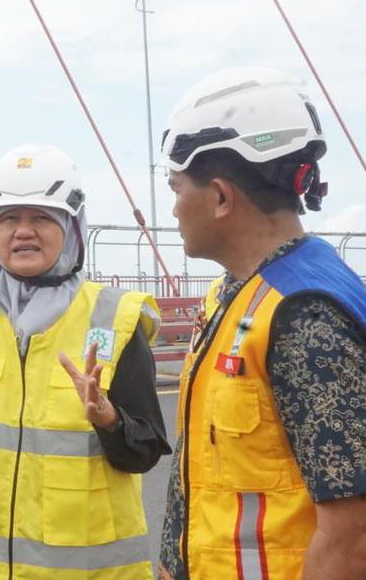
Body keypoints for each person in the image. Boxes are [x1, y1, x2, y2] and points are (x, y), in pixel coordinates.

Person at [0, 144, 170, 580]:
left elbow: (145, 450)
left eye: (42, 217)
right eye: (9, 218)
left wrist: (110, 421)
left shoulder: (116, 319)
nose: (22, 231)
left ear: (72, 226)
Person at [157, 67, 366, 580]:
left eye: (178, 187)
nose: (175, 207)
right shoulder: (235, 293)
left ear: (221, 197)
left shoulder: (304, 315)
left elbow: (353, 536)